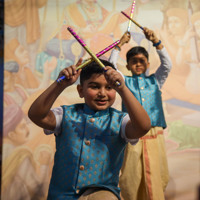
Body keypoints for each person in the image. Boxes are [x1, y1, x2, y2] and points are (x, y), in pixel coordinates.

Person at [28, 58, 151, 200]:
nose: (102, 93)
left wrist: (123, 88)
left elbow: (143, 126)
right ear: (80, 90)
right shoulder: (65, 115)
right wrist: (59, 84)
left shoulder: (121, 121)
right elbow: (36, 115)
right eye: (95, 86)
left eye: (109, 87)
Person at [109, 28, 172, 200]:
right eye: (133, 61)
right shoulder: (124, 82)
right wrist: (119, 45)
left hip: (154, 135)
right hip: (133, 136)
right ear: (127, 65)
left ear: (148, 64)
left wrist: (157, 42)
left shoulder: (155, 81)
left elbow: (167, 65)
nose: (138, 64)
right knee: (131, 177)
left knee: (158, 175)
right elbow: (111, 68)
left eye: (142, 61)